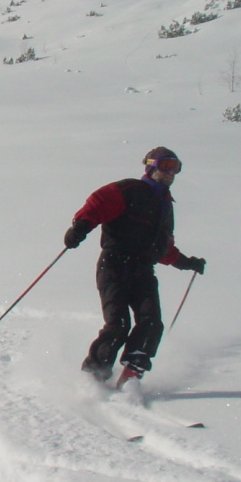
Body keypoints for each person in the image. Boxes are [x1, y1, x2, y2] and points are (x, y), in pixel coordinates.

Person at [63, 147, 205, 388]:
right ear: (151, 166)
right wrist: (81, 226)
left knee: (151, 324)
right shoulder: (130, 190)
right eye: (165, 165)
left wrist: (186, 263)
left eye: (175, 167)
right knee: (118, 325)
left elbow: (163, 247)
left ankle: (130, 377)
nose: (171, 172)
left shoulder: (165, 205)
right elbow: (99, 202)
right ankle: (93, 378)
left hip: (143, 271)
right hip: (114, 265)